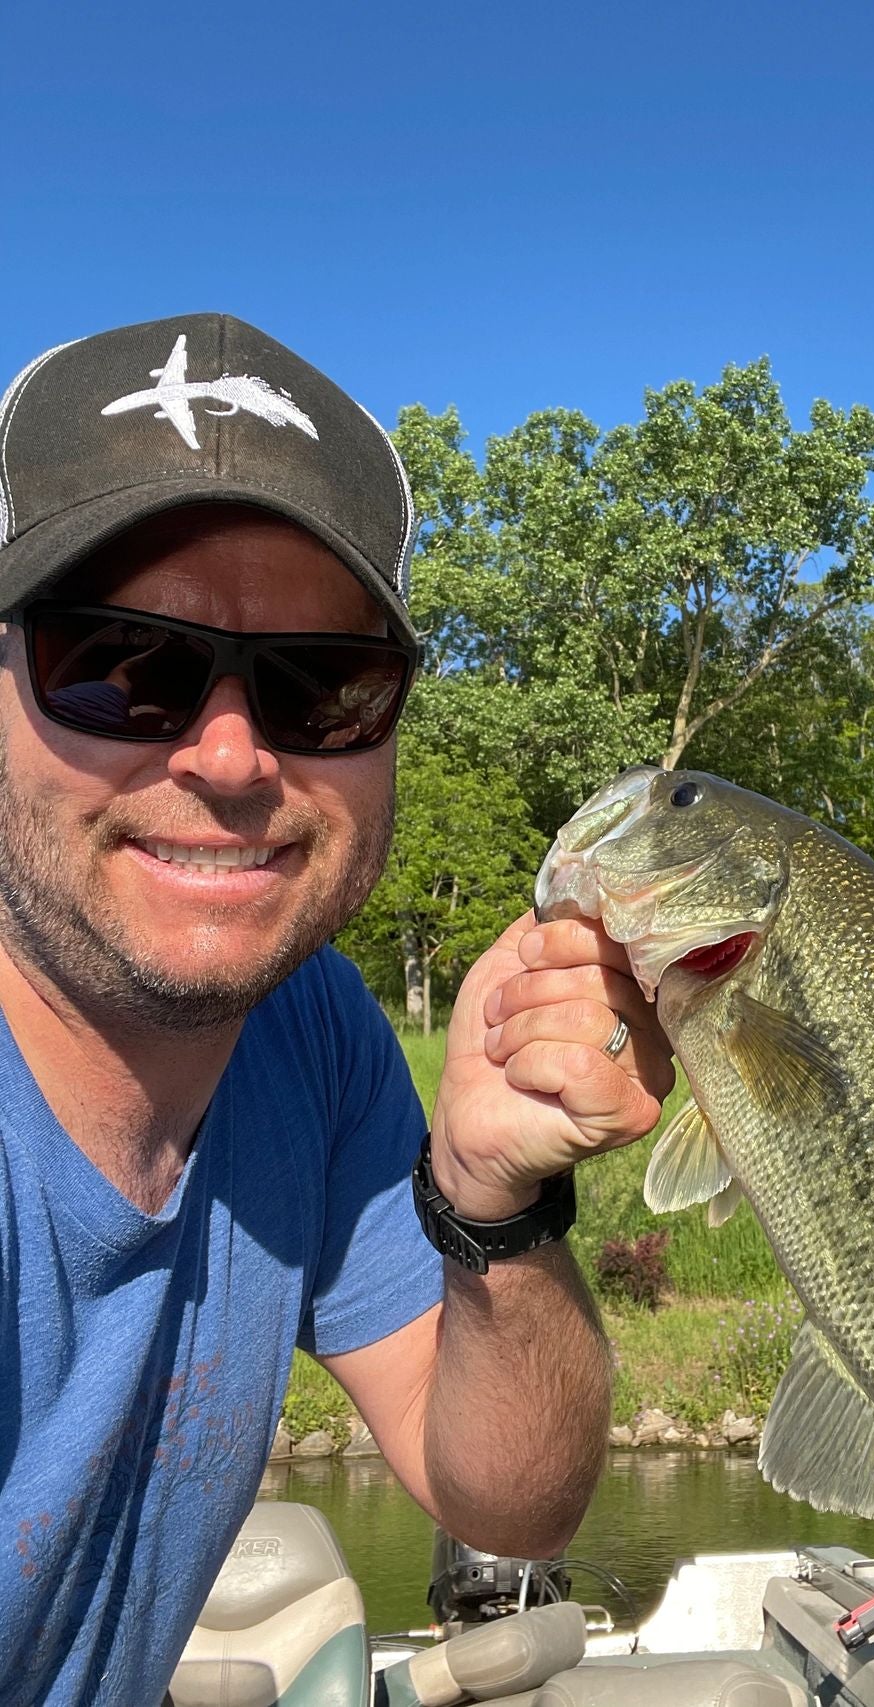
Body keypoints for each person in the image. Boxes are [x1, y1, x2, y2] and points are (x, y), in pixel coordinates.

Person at [0, 314, 675, 1705]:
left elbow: (508, 1506)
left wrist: (492, 1203)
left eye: (323, 686)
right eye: (119, 662)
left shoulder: (312, 1036)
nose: (233, 754)